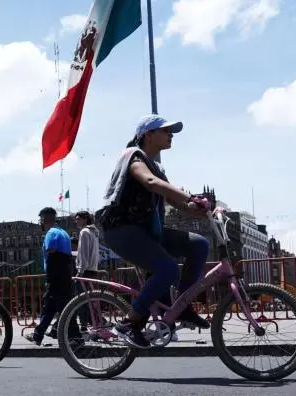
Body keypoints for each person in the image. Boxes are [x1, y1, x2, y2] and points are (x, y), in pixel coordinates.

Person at [98, 114, 212, 349]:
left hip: (146, 231)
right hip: (122, 229)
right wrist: (190, 197)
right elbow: (149, 182)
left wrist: (204, 208)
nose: (171, 135)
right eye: (165, 131)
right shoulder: (134, 157)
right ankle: (128, 323)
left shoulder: (157, 168)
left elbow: (178, 204)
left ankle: (181, 305)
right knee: (168, 268)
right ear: (147, 135)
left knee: (199, 244)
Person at [25, 207, 81, 345]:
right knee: (50, 307)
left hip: (56, 275)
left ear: (43, 219)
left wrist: (49, 278)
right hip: (65, 274)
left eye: (40, 219)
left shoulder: (51, 233)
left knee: (64, 307)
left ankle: (76, 337)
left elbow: (52, 254)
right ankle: (37, 335)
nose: (40, 222)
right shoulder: (64, 233)